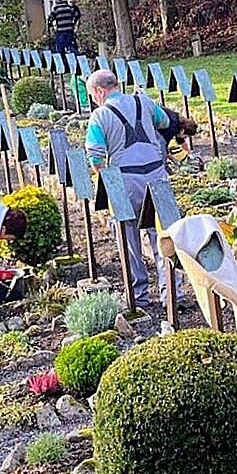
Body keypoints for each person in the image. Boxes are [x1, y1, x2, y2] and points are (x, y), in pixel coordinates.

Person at [84, 69, 182, 307]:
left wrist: (104, 175)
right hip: (157, 177)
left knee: (128, 238)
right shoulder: (144, 102)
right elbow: (166, 122)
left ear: (99, 91)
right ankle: (171, 293)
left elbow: (95, 156)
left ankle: (139, 295)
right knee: (164, 234)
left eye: (92, 95)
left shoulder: (100, 116)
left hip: (125, 181)